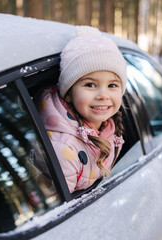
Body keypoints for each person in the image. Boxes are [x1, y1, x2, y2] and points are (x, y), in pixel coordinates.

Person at [36, 26, 127, 193]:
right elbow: (61, 212)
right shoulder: (64, 149)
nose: (103, 95)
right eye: (90, 85)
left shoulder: (108, 126)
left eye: (112, 85)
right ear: (69, 93)